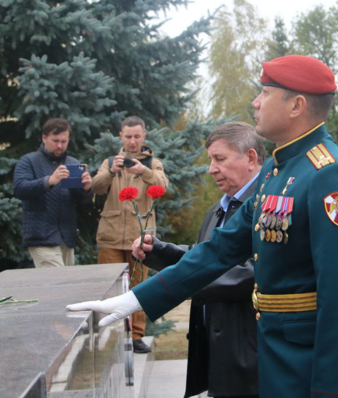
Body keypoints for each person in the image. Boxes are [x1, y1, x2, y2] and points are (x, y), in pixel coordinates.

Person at [69, 55, 338, 397]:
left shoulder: (330, 174)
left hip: (317, 370)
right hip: (280, 359)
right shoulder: (276, 172)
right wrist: (135, 299)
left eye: (265, 92)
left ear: (297, 105)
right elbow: (219, 250)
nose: (255, 102)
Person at [134, 122, 263, 397]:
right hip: (219, 352)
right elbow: (204, 257)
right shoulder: (218, 209)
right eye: (210, 160)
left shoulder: (269, 205)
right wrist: (160, 252)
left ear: (250, 158)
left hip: (251, 355)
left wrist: (180, 282)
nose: (211, 169)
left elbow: (249, 273)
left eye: (220, 159)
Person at [91, 115, 168, 354]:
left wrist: (143, 170)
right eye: (128, 136)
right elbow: (95, 187)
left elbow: (163, 187)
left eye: (137, 136)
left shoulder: (153, 163)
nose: (133, 141)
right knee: (110, 288)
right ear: (121, 137)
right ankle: (110, 337)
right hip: (111, 236)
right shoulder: (110, 161)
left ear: (143, 137)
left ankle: (136, 336)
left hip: (140, 237)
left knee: (139, 288)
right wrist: (110, 172)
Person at [13, 118, 92, 267]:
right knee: (56, 285)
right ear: (44, 138)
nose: (60, 145)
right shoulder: (28, 161)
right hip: (41, 237)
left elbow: (83, 201)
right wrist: (49, 180)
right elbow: (19, 189)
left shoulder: (72, 163)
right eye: (55, 140)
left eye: (64, 141)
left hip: (67, 237)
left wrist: (86, 188)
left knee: (65, 285)